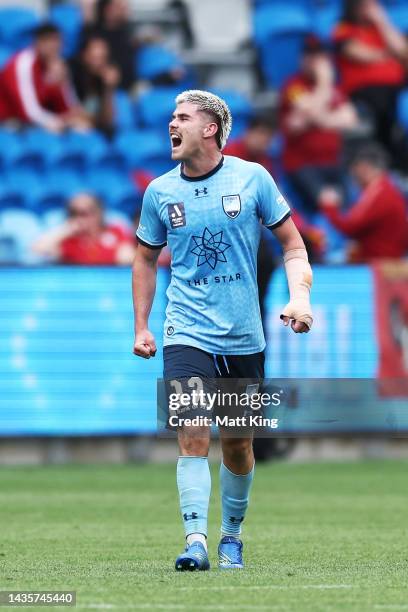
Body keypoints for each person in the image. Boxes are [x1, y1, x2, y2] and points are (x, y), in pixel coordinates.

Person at [132, 90, 313, 571]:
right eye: (172, 116)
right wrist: (141, 326)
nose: (173, 124)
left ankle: (232, 536)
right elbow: (145, 258)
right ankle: (195, 540)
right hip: (185, 327)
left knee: (237, 442)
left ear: (210, 128)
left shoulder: (251, 178)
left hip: (243, 334)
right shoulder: (160, 192)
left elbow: (294, 246)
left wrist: (300, 298)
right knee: (192, 430)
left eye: (183, 117)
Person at [279, 35, 357, 212]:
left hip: (334, 162)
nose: (315, 61)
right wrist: (325, 82)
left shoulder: (334, 89)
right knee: (328, 202)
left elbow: (350, 119)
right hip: (303, 165)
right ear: (302, 58)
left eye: (320, 56)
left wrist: (316, 119)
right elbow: (309, 111)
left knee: (352, 207)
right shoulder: (293, 85)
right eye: (310, 56)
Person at [333, 0, 408, 165]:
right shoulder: (344, 29)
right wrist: (390, 55)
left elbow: (402, 50)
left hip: (396, 86)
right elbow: (359, 54)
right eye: (364, 5)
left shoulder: (381, 28)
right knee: (383, 108)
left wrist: (382, 20)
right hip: (365, 89)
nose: (368, 9)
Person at [319, 144, 408, 262]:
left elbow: (350, 227)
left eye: (355, 167)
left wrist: (330, 207)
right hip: (383, 259)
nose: (352, 173)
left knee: (330, 261)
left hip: (378, 264)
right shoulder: (385, 190)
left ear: (364, 167)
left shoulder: (380, 194)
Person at [0, 23, 86, 132]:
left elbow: (69, 108)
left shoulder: (55, 65)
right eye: (49, 41)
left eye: (57, 41)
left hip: (34, 122)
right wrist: (59, 122)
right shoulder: (23, 64)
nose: (54, 46)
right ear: (37, 42)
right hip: (8, 121)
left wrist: (62, 83)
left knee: (82, 129)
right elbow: (28, 111)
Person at [33, 192, 135, 264]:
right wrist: (66, 230)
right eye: (74, 213)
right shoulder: (67, 240)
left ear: (99, 213)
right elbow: (39, 250)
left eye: (84, 213)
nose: (79, 219)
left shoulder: (115, 232)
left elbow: (128, 259)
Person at [70, 35, 120, 135]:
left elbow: (107, 120)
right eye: (95, 58)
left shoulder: (99, 82)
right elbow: (70, 113)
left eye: (103, 58)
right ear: (84, 56)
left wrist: (109, 89)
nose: (99, 63)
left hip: (88, 129)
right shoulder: (70, 74)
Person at [83, 0, 135, 91]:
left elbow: (129, 65)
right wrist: (103, 71)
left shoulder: (126, 33)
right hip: (96, 82)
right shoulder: (92, 33)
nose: (122, 8)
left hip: (124, 84)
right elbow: (87, 61)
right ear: (107, 9)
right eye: (117, 6)